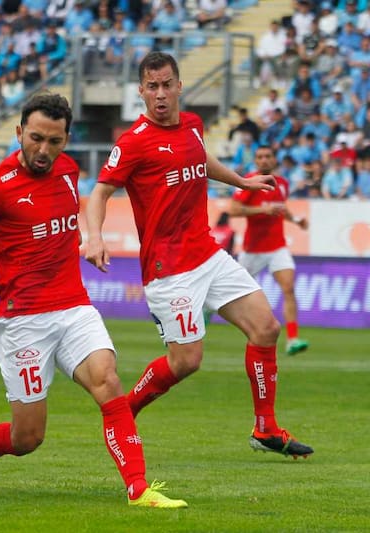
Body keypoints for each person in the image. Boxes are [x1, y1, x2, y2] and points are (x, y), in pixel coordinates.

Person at [0, 93, 188, 509]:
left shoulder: (68, 171)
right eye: (35, 139)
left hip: (74, 307)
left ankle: (139, 488)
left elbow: (72, 214)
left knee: (109, 383)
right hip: (23, 322)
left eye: (54, 141)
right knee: (27, 437)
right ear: (18, 134)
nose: (44, 150)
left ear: (67, 140)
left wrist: (92, 238)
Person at [85, 52, 313, 459]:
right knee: (187, 361)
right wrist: (95, 237)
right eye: (151, 87)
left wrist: (240, 180)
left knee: (266, 328)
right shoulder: (133, 143)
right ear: (141, 90)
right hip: (168, 270)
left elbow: (201, 160)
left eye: (166, 84)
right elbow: (100, 192)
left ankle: (266, 428)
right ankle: (124, 410)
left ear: (179, 86)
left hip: (208, 253)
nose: (159, 94)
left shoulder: (192, 125)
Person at [229, 146, 310, 356]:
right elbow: (234, 209)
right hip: (252, 250)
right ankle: (206, 311)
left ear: (274, 160)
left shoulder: (282, 183)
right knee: (230, 290)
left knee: (289, 288)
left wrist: (297, 221)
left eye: (268, 157)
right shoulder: (248, 182)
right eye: (260, 157)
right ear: (255, 161)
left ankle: (292, 339)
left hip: (277, 247)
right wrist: (262, 209)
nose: (264, 160)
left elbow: (281, 208)